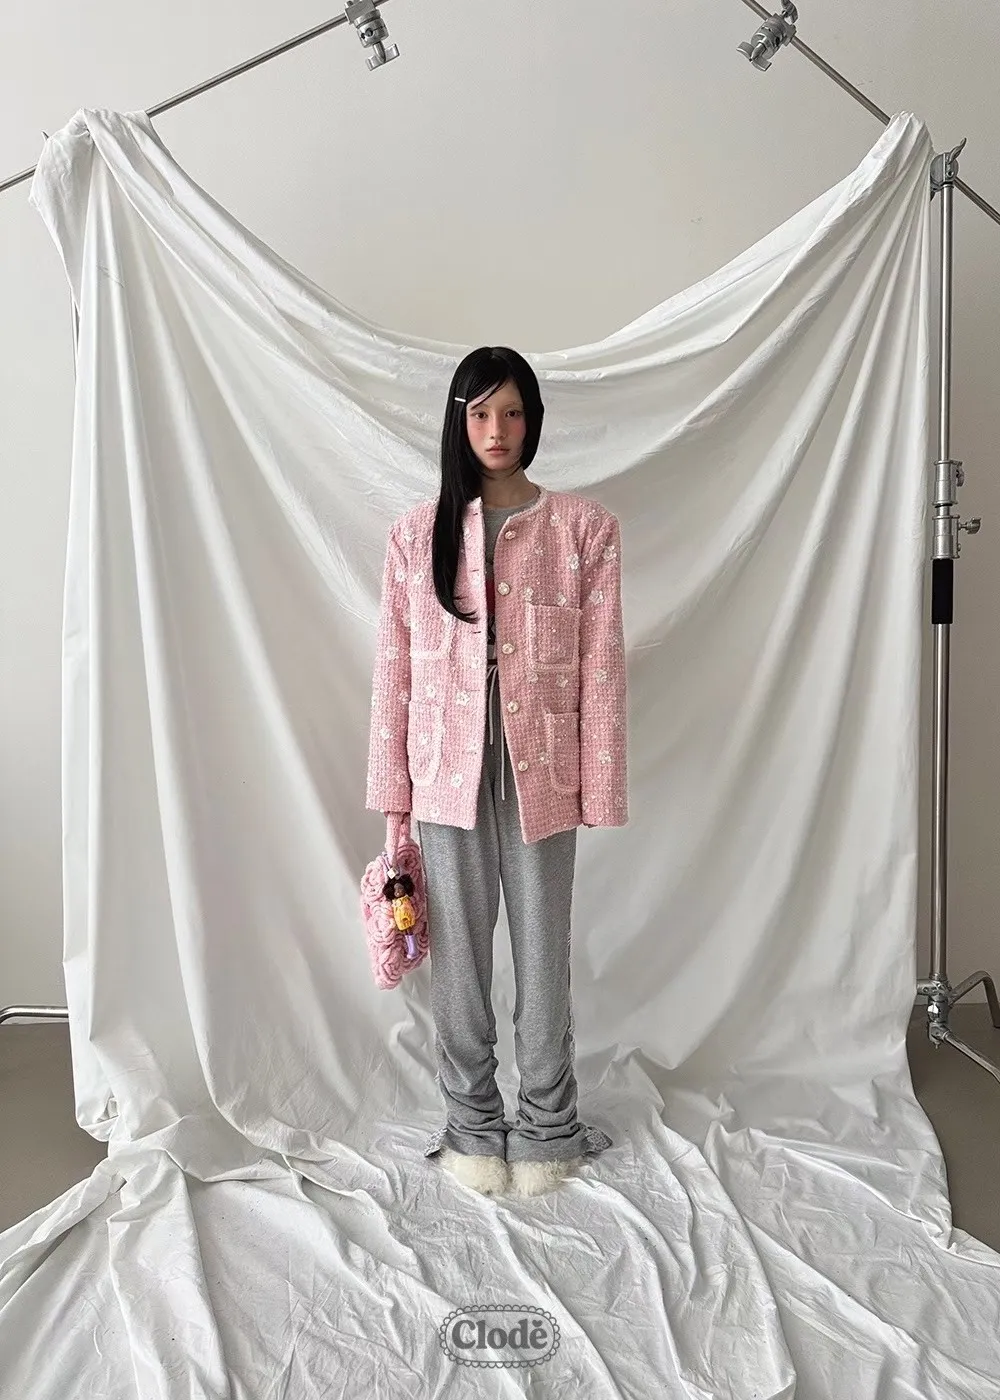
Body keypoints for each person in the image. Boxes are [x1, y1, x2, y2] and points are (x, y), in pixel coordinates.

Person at [365, 345, 628, 1196]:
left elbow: (601, 666)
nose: (497, 429)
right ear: (458, 421)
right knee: (459, 967)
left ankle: (549, 1129)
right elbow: (394, 672)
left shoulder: (584, 530)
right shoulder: (416, 534)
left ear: (533, 421)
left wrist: (600, 787)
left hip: (541, 774)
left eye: (512, 412)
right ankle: (472, 1127)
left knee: (543, 957)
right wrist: (394, 797)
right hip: (444, 776)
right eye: (480, 413)